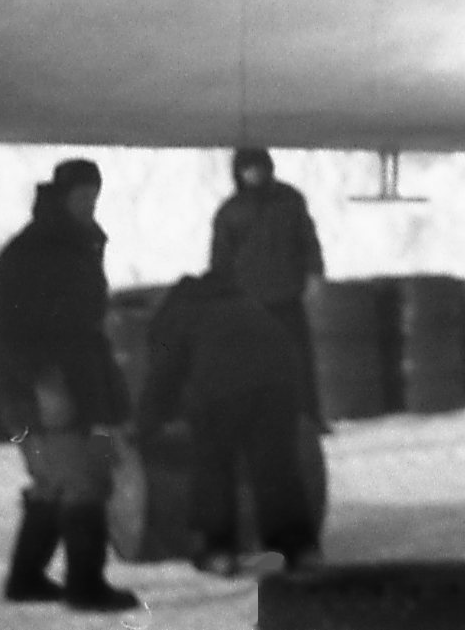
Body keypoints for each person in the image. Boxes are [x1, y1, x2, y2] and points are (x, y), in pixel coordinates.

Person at [0, 159, 140, 613]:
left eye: (94, 194)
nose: (90, 203)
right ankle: (85, 586)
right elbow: (15, 329)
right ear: (62, 195)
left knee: (53, 481)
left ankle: (26, 578)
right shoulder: (32, 252)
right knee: (82, 481)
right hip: (46, 389)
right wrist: (45, 383)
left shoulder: (77, 242)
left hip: (74, 378)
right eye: (82, 195)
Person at [133, 265, 319, 574]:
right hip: (281, 382)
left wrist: (144, 426)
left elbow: (162, 376)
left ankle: (217, 550)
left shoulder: (175, 316)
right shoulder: (244, 303)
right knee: (276, 467)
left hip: (222, 388)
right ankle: (298, 549)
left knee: (213, 466)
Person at [208, 148, 325, 421]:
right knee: (252, 365)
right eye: (248, 169)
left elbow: (308, 240)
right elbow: (221, 259)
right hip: (249, 302)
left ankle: (308, 417)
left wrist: (314, 273)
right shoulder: (230, 212)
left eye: (258, 167)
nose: (254, 173)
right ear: (238, 173)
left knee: (298, 361)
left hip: (288, 295)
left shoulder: (290, 200)